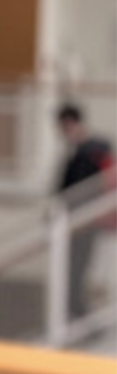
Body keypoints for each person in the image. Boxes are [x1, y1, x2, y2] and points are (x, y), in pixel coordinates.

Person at [57, 103, 114, 318]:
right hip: (75, 220)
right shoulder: (75, 152)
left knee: (82, 270)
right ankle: (75, 312)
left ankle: (81, 313)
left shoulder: (95, 149)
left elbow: (106, 182)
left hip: (89, 220)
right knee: (73, 270)